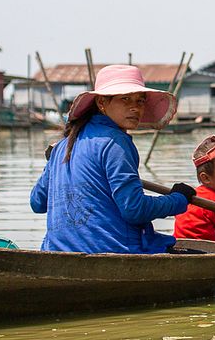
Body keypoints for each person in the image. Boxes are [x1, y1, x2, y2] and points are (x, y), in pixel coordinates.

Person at [30, 64, 196, 254]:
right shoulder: (115, 143)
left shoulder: (61, 147)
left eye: (140, 101)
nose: (135, 108)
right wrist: (178, 199)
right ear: (102, 103)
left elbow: (36, 202)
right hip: (114, 251)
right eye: (125, 99)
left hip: (56, 252)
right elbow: (134, 209)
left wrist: (51, 165)